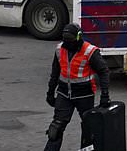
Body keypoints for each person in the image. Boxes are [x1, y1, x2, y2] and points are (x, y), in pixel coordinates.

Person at [44, 23, 110, 151]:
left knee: (89, 129)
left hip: (84, 96)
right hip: (64, 94)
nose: (68, 44)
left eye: (71, 40)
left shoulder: (89, 51)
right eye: (66, 40)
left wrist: (105, 95)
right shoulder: (60, 49)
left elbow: (104, 71)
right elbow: (55, 73)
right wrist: (50, 92)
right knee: (56, 128)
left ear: (79, 37)